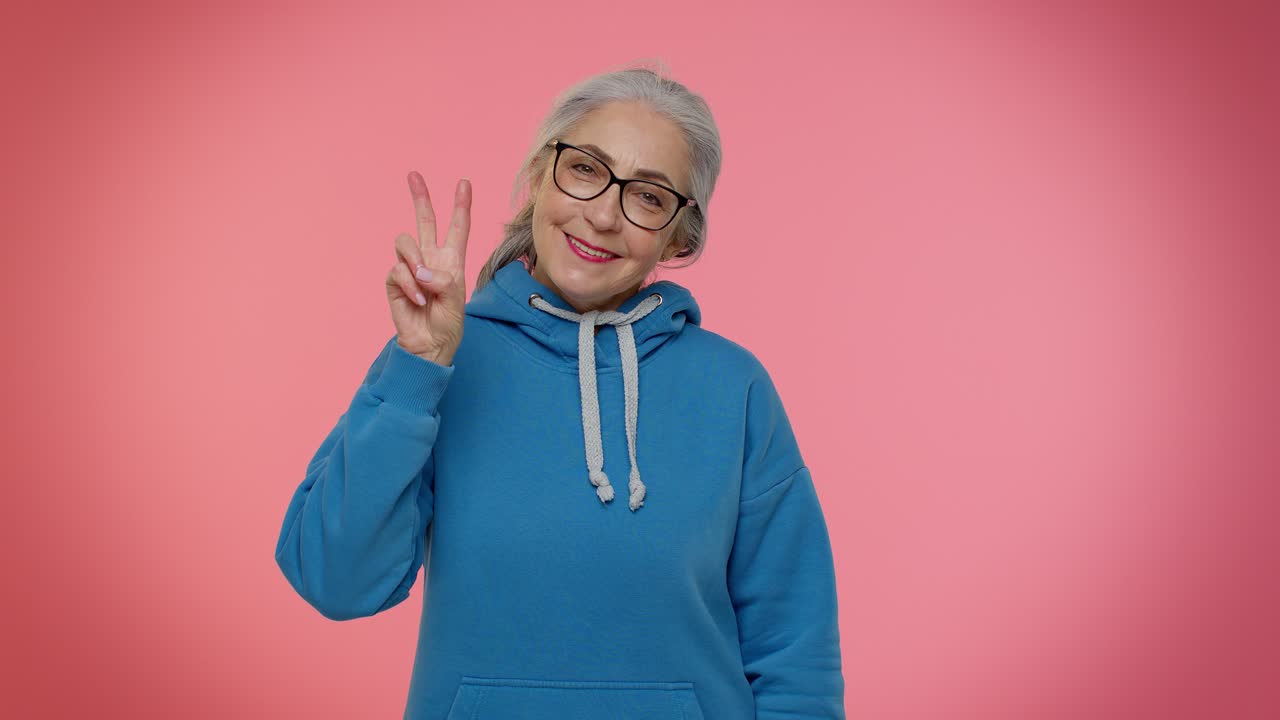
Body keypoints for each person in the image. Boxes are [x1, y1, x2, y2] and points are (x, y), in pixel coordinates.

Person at [274, 65, 846, 720]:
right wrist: (417, 370)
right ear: (538, 176)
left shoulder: (734, 388)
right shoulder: (439, 360)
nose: (603, 214)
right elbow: (335, 579)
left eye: (649, 198)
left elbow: (794, 653)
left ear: (679, 235)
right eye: (584, 169)